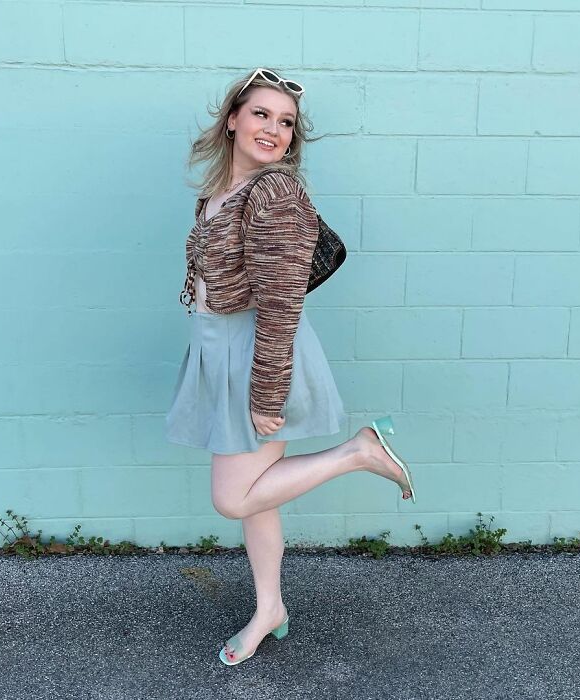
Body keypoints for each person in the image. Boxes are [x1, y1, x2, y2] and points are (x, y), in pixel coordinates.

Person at [164, 67, 417, 666]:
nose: (274, 129)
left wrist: (267, 393)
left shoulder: (274, 193)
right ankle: (269, 607)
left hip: (256, 353)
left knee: (234, 498)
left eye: (286, 123)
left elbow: (280, 304)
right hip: (222, 350)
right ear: (232, 119)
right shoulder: (219, 194)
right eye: (262, 114)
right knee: (259, 497)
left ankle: (357, 452)